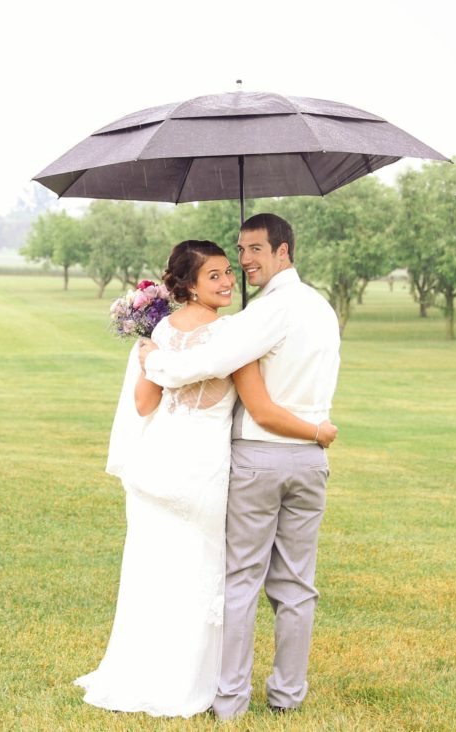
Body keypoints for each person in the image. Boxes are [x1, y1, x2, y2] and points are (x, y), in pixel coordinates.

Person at [77, 239, 336, 718]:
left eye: (228, 271)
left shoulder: (161, 334)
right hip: (203, 470)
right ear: (190, 286)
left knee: (154, 572)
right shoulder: (236, 336)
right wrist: (318, 429)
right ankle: (191, 683)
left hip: (158, 463)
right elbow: (258, 405)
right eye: (214, 275)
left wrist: (152, 360)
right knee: (201, 573)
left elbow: (144, 404)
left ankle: (146, 671)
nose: (229, 280)